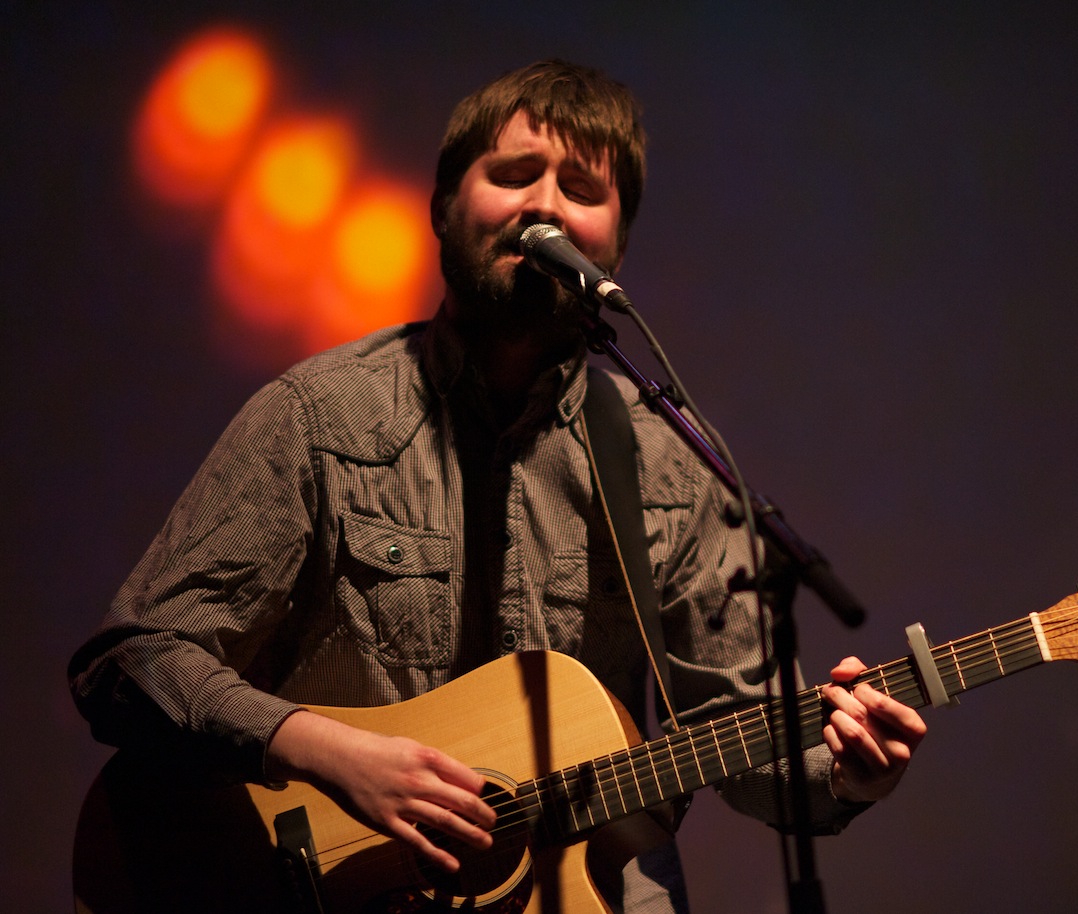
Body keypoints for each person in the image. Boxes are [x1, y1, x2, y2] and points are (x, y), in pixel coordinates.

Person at [69, 59, 926, 913]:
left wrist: (846, 775)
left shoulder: (666, 459)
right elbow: (132, 661)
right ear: (443, 208)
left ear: (614, 245)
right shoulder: (318, 418)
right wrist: (326, 752)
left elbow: (740, 737)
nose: (545, 205)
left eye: (582, 189)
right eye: (514, 175)